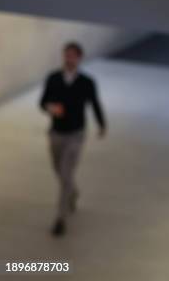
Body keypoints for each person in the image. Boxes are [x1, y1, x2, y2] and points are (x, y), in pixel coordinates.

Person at [39, 42, 106, 237]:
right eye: (66, 55)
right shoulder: (53, 78)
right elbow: (42, 102)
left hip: (76, 135)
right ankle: (73, 192)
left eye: (73, 56)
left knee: (66, 174)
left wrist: (102, 124)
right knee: (58, 170)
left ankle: (60, 218)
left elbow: (95, 104)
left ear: (79, 58)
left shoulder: (87, 82)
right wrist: (50, 108)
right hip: (56, 133)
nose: (69, 59)